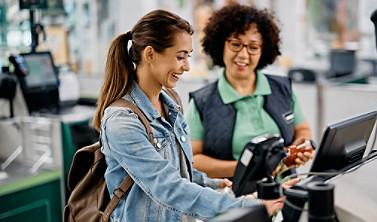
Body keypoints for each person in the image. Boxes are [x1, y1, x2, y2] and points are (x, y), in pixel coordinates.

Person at [93, 9, 295, 221]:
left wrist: (216, 184)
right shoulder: (122, 121)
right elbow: (168, 187)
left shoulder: (171, 104)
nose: (187, 67)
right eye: (180, 57)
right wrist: (248, 205)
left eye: (188, 57)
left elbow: (181, 173)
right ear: (150, 54)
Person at [187, 3, 314, 179]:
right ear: (220, 44)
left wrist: (301, 147)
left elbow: (303, 129)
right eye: (236, 44)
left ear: (264, 50)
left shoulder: (282, 89)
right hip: (234, 198)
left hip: (286, 192)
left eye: (253, 47)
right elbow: (193, 160)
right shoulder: (202, 102)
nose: (243, 55)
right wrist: (246, 167)